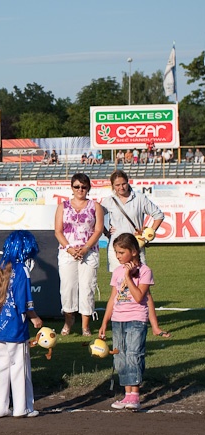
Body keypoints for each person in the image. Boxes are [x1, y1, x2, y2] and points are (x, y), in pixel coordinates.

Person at [101, 170, 169, 338]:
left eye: (123, 183)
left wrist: (148, 233)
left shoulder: (139, 198)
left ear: (128, 182)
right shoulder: (108, 201)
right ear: (112, 186)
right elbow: (96, 217)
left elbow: (158, 215)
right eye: (117, 185)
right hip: (116, 250)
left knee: (145, 289)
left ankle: (155, 327)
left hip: (135, 248)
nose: (121, 187)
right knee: (118, 287)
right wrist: (105, 231)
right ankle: (119, 320)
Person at [0, 230, 43, 418]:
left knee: (1, 366)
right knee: (20, 366)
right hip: (15, 326)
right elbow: (23, 300)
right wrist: (34, 317)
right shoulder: (22, 269)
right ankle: (22, 407)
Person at [99, 233, 154, 411]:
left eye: (121, 252)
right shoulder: (117, 271)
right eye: (116, 252)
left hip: (136, 319)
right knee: (120, 357)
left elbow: (139, 297)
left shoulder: (145, 271)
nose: (118, 256)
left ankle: (135, 395)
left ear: (134, 252)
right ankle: (127, 394)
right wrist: (104, 322)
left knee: (133, 355)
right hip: (118, 320)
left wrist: (128, 277)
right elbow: (112, 298)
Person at [54, 174, 103, 337]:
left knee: (87, 288)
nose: (80, 190)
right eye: (77, 187)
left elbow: (98, 230)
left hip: (89, 252)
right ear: (72, 188)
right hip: (67, 252)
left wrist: (86, 247)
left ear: (88, 188)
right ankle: (68, 321)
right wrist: (69, 248)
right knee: (67, 288)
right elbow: (58, 231)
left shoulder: (95, 206)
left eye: (83, 187)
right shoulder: (63, 206)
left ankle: (85, 326)